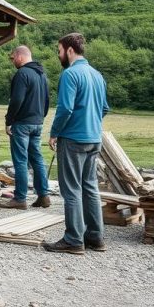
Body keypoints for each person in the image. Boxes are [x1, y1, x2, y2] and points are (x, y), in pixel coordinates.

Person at [43, 33, 111, 255]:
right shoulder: (97, 75)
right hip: (94, 138)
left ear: (70, 50)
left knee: (71, 189)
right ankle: (96, 237)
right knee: (90, 187)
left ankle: (73, 240)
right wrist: (91, 123)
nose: (58, 54)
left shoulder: (70, 74)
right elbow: (104, 108)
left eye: (59, 50)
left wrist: (54, 133)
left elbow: (65, 108)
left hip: (73, 139)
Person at [2, 46, 51, 210]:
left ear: (19, 56)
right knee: (37, 159)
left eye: (12, 58)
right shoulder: (41, 74)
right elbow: (46, 100)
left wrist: (9, 121)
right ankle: (43, 196)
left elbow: (16, 100)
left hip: (22, 123)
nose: (12, 61)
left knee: (20, 161)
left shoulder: (22, 74)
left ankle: (20, 198)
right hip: (37, 123)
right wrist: (40, 117)